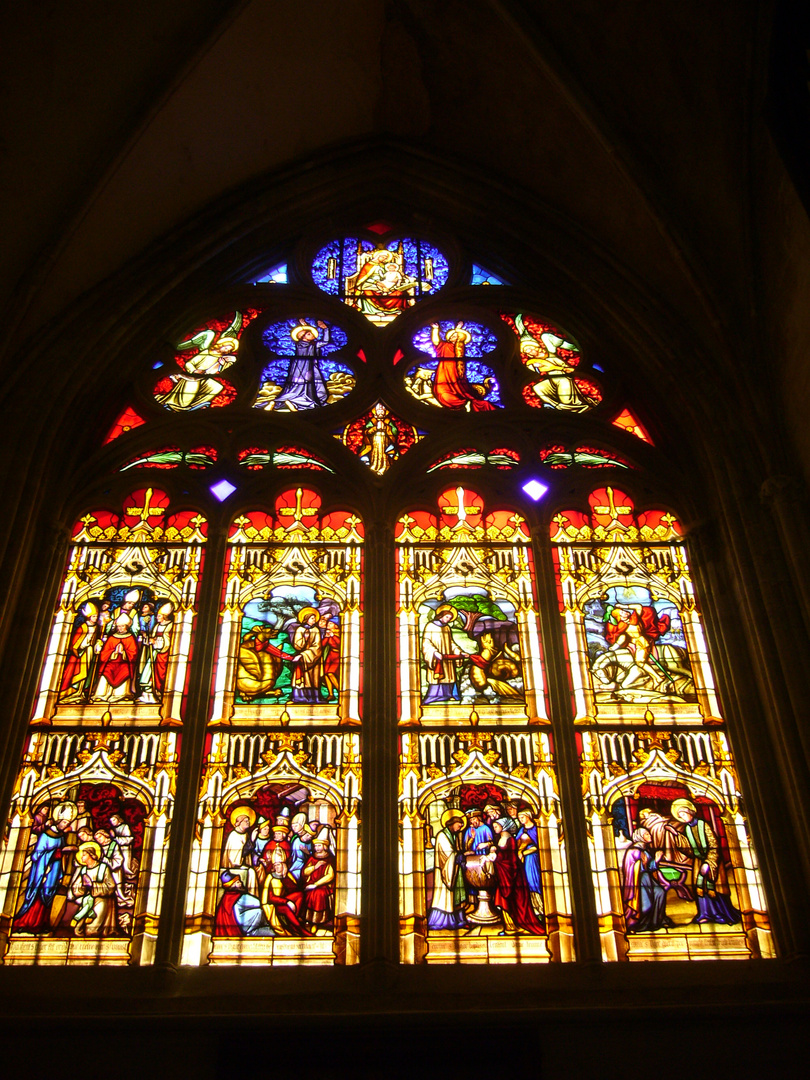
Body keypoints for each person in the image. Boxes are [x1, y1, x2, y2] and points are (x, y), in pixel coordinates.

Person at [670, 799, 741, 925]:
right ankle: (705, 914)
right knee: (700, 887)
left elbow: (713, 843)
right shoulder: (687, 829)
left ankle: (722, 914)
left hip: (713, 860)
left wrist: (709, 863)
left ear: (690, 812)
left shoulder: (704, 824)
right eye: (680, 816)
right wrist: (676, 835)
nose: (683, 818)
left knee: (717, 888)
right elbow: (690, 850)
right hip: (698, 861)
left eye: (684, 814)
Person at [155, 315, 242, 411]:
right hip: (193, 376)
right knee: (189, 391)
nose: (226, 350)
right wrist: (194, 370)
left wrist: (221, 364)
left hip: (206, 377)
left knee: (217, 386)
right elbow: (189, 364)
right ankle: (178, 406)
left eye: (229, 350)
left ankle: (195, 405)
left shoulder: (222, 359)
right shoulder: (205, 353)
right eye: (226, 347)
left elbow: (222, 370)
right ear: (221, 345)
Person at [15, 803, 76, 932]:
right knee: (37, 895)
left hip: (54, 870)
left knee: (49, 894)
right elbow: (37, 855)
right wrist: (61, 851)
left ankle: (42, 924)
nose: (66, 825)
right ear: (58, 821)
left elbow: (59, 853)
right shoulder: (45, 835)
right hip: (43, 870)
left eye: (67, 823)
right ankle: (26, 923)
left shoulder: (60, 836)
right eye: (64, 822)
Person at [488, 819, 544, 934]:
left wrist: (496, 858)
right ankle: (509, 927)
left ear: (504, 826)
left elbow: (511, 860)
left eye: (496, 826)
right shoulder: (500, 839)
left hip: (513, 876)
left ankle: (515, 926)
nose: (494, 828)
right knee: (503, 900)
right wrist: (494, 850)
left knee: (514, 901)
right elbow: (503, 855)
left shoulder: (511, 840)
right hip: (504, 875)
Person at [430, 322, 495, 411]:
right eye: (453, 335)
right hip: (443, 374)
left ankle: (466, 403)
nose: (455, 336)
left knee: (462, 392)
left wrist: (458, 329)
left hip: (457, 375)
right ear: (449, 338)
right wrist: (435, 329)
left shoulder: (460, 347)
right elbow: (436, 341)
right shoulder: (445, 346)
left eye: (457, 335)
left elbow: (462, 339)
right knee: (441, 393)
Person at [348, 248, 422, 324]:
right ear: (378, 256)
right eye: (383, 257)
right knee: (369, 293)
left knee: (399, 293)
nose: (384, 259)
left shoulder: (383, 266)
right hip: (368, 283)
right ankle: (374, 311)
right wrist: (378, 283)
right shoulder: (368, 265)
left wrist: (396, 280)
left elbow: (386, 276)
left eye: (386, 258)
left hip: (384, 283)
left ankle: (397, 310)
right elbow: (363, 278)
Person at [621, 827, 672, 933]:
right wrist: (642, 864)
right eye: (647, 834)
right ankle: (640, 924)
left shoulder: (644, 850)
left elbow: (649, 866)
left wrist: (656, 861)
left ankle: (657, 920)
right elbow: (630, 868)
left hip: (647, 878)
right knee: (646, 904)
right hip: (638, 880)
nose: (650, 835)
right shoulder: (633, 850)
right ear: (640, 837)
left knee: (660, 892)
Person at [273, 320, 331, 411]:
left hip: (313, 367)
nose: (312, 334)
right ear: (303, 337)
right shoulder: (301, 345)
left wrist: (326, 329)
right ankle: (295, 401)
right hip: (303, 369)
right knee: (301, 386)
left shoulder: (313, 345)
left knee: (320, 388)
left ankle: (318, 401)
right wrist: (305, 326)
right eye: (309, 334)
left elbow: (325, 341)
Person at [427, 808, 468, 931]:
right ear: (451, 823)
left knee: (456, 895)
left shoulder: (454, 836)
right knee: (444, 898)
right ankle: (442, 921)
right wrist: (457, 855)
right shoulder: (442, 835)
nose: (460, 827)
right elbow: (447, 853)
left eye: (461, 825)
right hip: (445, 871)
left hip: (454, 870)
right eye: (459, 825)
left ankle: (458, 919)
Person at [69, 840, 117, 936]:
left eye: (84, 855)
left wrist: (93, 885)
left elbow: (111, 886)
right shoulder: (84, 870)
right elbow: (75, 887)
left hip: (102, 900)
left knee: (91, 931)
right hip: (87, 901)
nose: (81, 857)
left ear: (91, 855)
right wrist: (82, 887)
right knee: (77, 930)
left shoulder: (103, 867)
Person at [421, 605, 464, 704]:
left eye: (450, 618)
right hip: (436, 659)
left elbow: (451, 643)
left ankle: (450, 695)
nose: (448, 620)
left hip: (447, 659)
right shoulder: (430, 626)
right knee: (437, 678)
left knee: (449, 677)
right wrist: (435, 652)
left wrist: (459, 652)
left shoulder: (447, 628)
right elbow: (426, 642)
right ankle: (434, 697)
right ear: (441, 615)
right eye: (447, 617)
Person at [59, 602, 100, 703]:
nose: (95, 618)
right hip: (81, 654)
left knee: (88, 673)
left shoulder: (97, 627)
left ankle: (82, 692)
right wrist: (82, 645)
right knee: (79, 672)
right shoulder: (83, 627)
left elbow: (96, 639)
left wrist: (98, 643)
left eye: (96, 616)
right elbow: (75, 642)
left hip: (90, 652)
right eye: (94, 616)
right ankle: (75, 692)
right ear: (89, 617)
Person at [92, 614, 138, 702]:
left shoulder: (130, 638)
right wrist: (113, 653)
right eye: (119, 626)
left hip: (124, 663)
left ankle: (120, 694)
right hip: (111, 662)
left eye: (122, 626)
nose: (120, 628)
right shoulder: (112, 637)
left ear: (127, 626)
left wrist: (124, 652)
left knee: (125, 672)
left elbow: (134, 653)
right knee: (106, 672)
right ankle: (102, 694)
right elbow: (105, 652)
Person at [301, 829, 336, 934]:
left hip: (324, 886)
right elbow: (305, 872)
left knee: (318, 894)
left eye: (319, 845)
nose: (317, 848)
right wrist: (315, 867)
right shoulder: (312, 858)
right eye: (315, 846)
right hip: (311, 884)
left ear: (325, 846)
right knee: (308, 894)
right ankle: (308, 921)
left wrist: (315, 885)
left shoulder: (330, 859)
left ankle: (317, 922)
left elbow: (330, 876)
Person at [516, 806, 545, 921]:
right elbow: (517, 843)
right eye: (519, 818)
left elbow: (541, 844)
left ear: (528, 817)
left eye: (522, 817)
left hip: (534, 858)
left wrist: (526, 851)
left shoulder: (535, 829)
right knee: (528, 881)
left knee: (535, 880)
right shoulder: (521, 830)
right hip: (525, 860)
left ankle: (541, 909)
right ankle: (534, 909)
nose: (520, 820)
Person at [291, 607, 324, 703]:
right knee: (301, 679)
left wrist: (304, 655)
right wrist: (304, 639)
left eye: (314, 618)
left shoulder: (316, 630)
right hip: (302, 659)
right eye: (312, 618)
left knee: (313, 679)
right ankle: (299, 697)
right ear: (306, 618)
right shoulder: (300, 629)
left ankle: (314, 698)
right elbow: (297, 645)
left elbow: (317, 646)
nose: (314, 620)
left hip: (314, 658)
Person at [356, 402, 398, 474]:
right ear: (376, 412)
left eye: (382, 411)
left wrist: (386, 427)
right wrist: (375, 428)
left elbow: (394, 431)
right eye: (379, 411)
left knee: (385, 455)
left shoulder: (388, 421)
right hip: (375, 441)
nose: (380, 412)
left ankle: (385, 467)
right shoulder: (372, 421)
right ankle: (374, 466)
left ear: (385, 412)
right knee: (375, 454)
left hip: (386, 441)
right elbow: (366, 431)